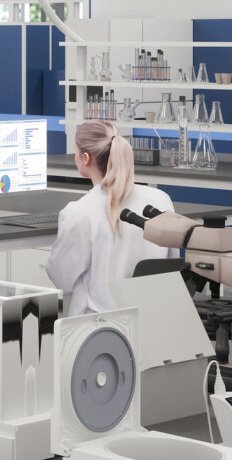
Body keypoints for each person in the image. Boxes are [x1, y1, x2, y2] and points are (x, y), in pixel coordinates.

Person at [46, 119, 174, 316]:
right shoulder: (161, 200)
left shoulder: (79, 212)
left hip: (97, 331)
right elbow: (170, 269)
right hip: (152, 321)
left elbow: (62, 280)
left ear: (86, 158)